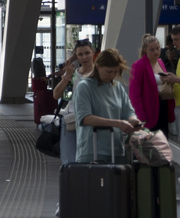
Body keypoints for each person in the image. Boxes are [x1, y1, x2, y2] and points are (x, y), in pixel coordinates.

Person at [72, 47, 141, 165]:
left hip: (116, 150)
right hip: (92, 150)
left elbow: (128, 112)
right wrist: (117, 123)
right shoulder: (85, 86)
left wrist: (133, 121)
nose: (113, 75)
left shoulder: (117, 86)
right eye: (109, 71)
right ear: (97, 66)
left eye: (115, 71)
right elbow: (85, 118)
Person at [54, 40, 95, 169]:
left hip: (91, 121)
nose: (84, 57)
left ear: (93, 53)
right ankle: (71, 184)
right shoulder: (73, 74)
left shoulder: (99, 74)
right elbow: (57, 95)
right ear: (76, 57)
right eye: (80, 54)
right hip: (71, 119)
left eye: (87, 53)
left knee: (89, 159)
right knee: (68, 160)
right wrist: (67, 75)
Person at [127, 33, 178, 132]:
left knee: (163, 138)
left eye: (157, 48)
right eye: (152, 49)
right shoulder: (138, 65)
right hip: (149, 108)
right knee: (151, 141)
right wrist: (141, 115)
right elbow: (134, 94)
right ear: (145, 50)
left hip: (164, 105)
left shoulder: (160, 62)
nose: (156, 51)